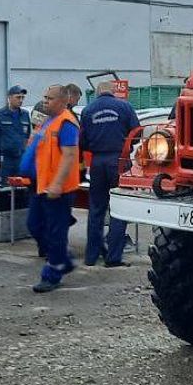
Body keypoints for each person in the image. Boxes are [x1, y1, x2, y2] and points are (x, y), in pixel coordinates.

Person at [28, 84, 81, 293]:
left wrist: (58, 183)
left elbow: (69, 156)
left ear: (62, 101)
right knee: (34, 225)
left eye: (49, 98)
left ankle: (52, 275)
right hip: (43, 186)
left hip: (59, 189)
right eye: (44, 97)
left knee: (55, 234)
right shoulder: (48, 121)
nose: (45, 101)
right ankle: (64, 261)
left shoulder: (67, 123)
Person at [79, 82, 140, 267]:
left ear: (97, 92)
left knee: (96, 208)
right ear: (113, 92)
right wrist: (124, 146)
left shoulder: (88, 110)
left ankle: (91, 256)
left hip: (97, 162)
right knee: (119, 209)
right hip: (119, 161)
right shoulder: (125, 107)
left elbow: (82, 141)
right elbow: (137, 132)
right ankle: (113, 257)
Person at [0, 86, 30, 186]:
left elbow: (27, 137)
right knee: (4, 188)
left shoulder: (25, 114)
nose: (21, 100)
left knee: (21, 187)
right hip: (5, 159)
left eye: (22, 98)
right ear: (9, 97)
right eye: (18, 97)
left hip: (20, 157)